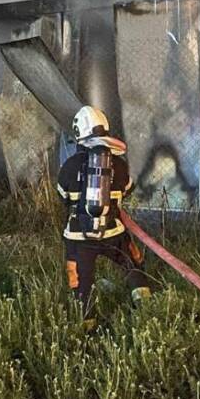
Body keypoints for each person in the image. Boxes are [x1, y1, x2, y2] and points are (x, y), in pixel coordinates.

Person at [57, 105, 151, 328]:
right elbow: (127, 190)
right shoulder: (119, 165)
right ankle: (146, 311)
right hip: (113, 232)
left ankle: (87, 327)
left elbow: (64, 197)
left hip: (79, 238)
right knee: (133, 263)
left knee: (81, 282)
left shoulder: (70, 166)